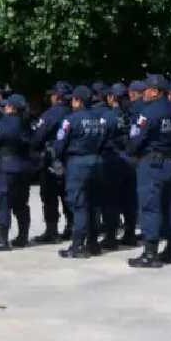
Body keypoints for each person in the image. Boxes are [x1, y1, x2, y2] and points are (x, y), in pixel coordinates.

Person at [127, 74, 171, 268]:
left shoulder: (148, 113)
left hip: (152, 164)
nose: (144, 93)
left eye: (147, 90)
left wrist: (132, 150)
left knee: (150, 207)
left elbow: (136, 141)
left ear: (155, 91)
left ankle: (150, 254)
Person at [56, 86, 110, 258]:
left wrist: (58, 158)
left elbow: (59, 145)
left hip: (78, 164)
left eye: (73, 99)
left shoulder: (70, 120)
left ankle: (77, 246)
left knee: (79, 205)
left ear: (78, 100)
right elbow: (103, 141)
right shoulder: (99, 120)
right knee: (93, 205)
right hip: (97, 162)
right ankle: (93, 244)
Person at [0, 95, 36, 251]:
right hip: (24, 168)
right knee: (21, 203)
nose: (4, 108)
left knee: (2, 202)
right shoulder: (28, 124)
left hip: (5, 168)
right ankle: (23, 237)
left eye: (6, 106)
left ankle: (2, 240)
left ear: (12, 108)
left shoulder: (4, 123)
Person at [31, 82, 74, 243]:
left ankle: (52, 231)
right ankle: (71, 227)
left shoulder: (49, 115)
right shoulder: (74, 112)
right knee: (68, 196)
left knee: (49, 197)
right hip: (70, 160)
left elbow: (37, 138)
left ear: (57, 96)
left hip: (51, 161)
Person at [100, 83, 138, 248]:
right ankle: (130, 235)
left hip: (112, 161)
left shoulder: (107, 117)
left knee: (111, 200)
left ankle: (111, 237)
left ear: (111, 97)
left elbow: (100, 139)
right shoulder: (131, 116)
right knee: (129, 200)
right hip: (130, 160)